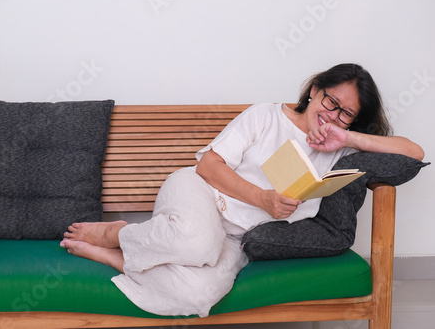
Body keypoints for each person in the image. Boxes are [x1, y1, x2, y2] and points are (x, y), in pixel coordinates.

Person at [60, 63, 424, 317]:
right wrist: (262, 198)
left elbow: (414, 154)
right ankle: (119, 233)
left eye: (346, 113)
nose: (332, 115)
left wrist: (348, 137)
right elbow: (207, 166)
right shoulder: (266, 115)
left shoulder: (341, 148)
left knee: (200, 296)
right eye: (331, 102)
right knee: (195, 242)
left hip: (235, 237)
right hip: (199, 193)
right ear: (314, 92)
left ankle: (119, 257)